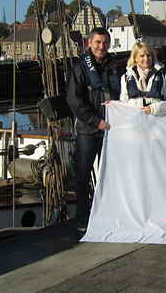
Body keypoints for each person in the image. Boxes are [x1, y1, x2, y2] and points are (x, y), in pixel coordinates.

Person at [66, 27, 123, 231]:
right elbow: (74, 99)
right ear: (90, 43)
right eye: (98, 42)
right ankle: (82, 216)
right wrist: (95, 120)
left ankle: (110, 213)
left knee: (112, 174)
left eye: (105, 43)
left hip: (112, 129)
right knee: (83, 174)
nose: (101, 46)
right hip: (89, 129)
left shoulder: (115, 66)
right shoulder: (81, 68)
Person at [119, 41, 166, 115]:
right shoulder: (125, 78)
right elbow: (123, 104)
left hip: (157, 122)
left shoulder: (164, 75)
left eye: (149, 55)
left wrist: (155, 108)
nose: (146, 59)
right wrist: (112, 105)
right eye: (142, 56)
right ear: (135, 57)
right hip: (136, 122)